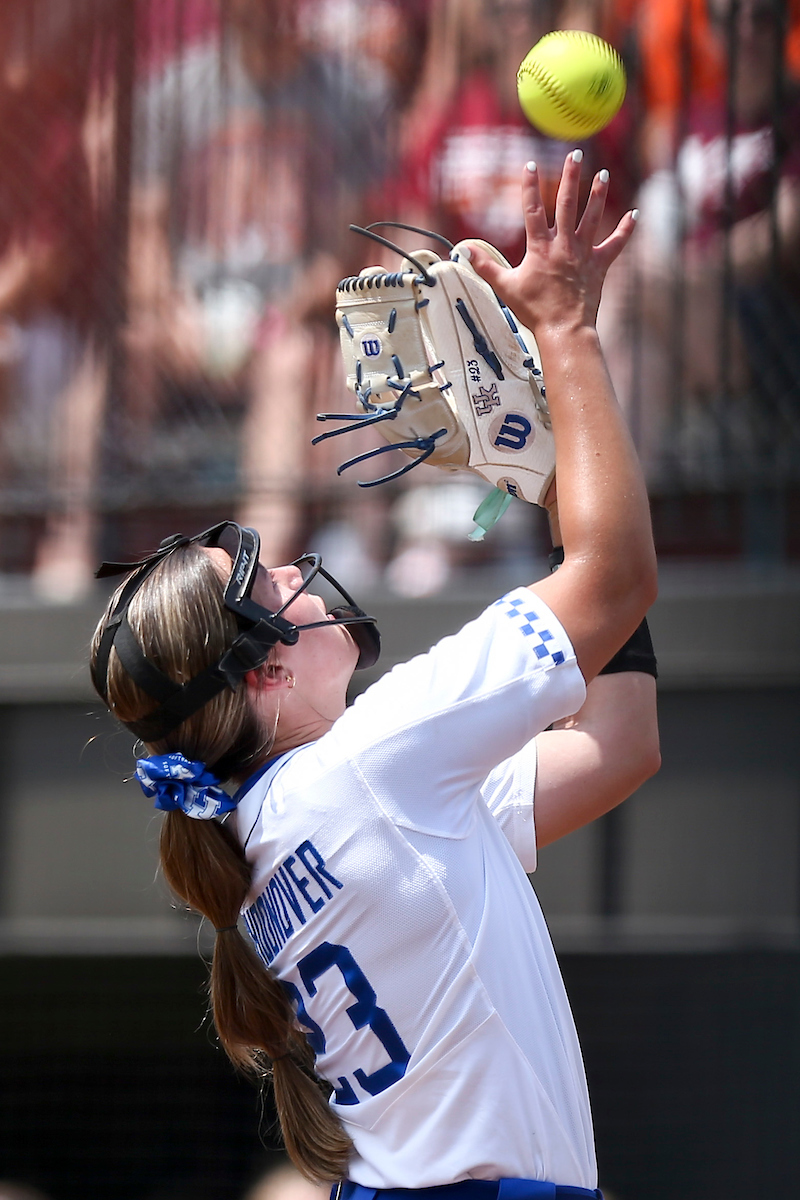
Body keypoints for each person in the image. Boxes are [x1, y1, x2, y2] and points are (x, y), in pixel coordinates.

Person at [91, 154, 659, 1194]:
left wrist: (556, 482)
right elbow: (614, 581)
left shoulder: (311, 808)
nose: (295, 571)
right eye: (263, 582)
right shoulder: (368, 765)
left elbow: (618, 744)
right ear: (261, 675)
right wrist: (567, 334)